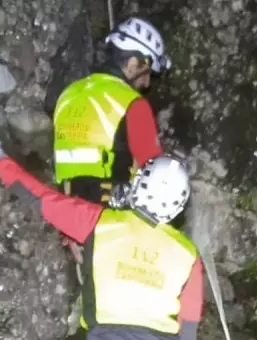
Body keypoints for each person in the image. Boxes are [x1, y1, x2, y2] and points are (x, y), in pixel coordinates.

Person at [0, 114, 203, 340]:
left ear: (139, 185)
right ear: (177, 206)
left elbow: (38, 195)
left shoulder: (99, 222)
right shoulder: (188, 255)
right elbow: (189, 327)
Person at [46, 17, 173, 265]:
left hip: (70, 220)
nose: (147, 84)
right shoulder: (132, 104)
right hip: (111, 225)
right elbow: (156, 174)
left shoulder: (68, 95)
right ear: (134, 62)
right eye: (147, 73)